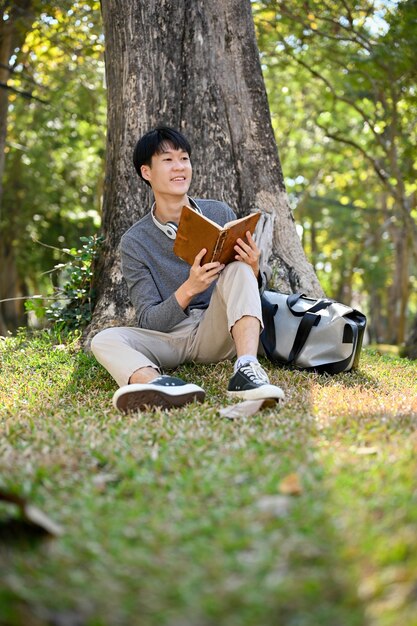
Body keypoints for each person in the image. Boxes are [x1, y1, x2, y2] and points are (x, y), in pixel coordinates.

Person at [91, 126, 285, 413]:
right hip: (171, 338)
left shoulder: (219, 214)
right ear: (147, 172)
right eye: (168, 160)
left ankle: (246, 369)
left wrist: (254, 269)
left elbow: (244, 291)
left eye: (184, 159)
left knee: (240, 269)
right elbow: (148, 321)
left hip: (218, 332)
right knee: (104, 339)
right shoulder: (135, 241)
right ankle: (160, 385)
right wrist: (190, 288)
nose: (179, 167)